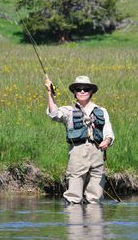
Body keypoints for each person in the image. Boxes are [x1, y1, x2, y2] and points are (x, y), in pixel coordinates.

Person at [45, 75, 114, 204]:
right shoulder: (68, 111)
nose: (82, 91)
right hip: (77, 153)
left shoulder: (101, 111)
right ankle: (75, 221)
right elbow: (54, 114)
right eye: (79, 89)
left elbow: (109, 132)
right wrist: (50, 94)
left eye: (86, 89)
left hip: (97, 153)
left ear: (91, 91)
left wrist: (107, 141)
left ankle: (94, 222)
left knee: (95, 197)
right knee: (74, 197)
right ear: (74, 92)